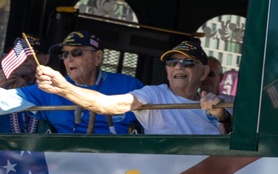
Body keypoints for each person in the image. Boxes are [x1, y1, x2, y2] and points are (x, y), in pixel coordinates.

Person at [35, 40, 231, 135]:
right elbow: (106, 104)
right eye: (172, 63)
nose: (178, 67)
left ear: (204, 72)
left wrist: (222, 116)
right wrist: (64, 89)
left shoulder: (223, 102)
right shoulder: (154, 94)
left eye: (188, 63)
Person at [0, 30, 142, 134]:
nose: (68, 59)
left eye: (76, 53)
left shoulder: (129, 85)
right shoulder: (49, 87)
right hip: (67, 165)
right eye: (65, 54)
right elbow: (6, 100)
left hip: (118, 163)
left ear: (98, 57)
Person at [0, 34, 48, 133]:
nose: (23, 58)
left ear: (45, 59)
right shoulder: (3, 82)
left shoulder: (52, 85)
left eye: (30, 54)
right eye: (18, 53)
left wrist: (26, 89)